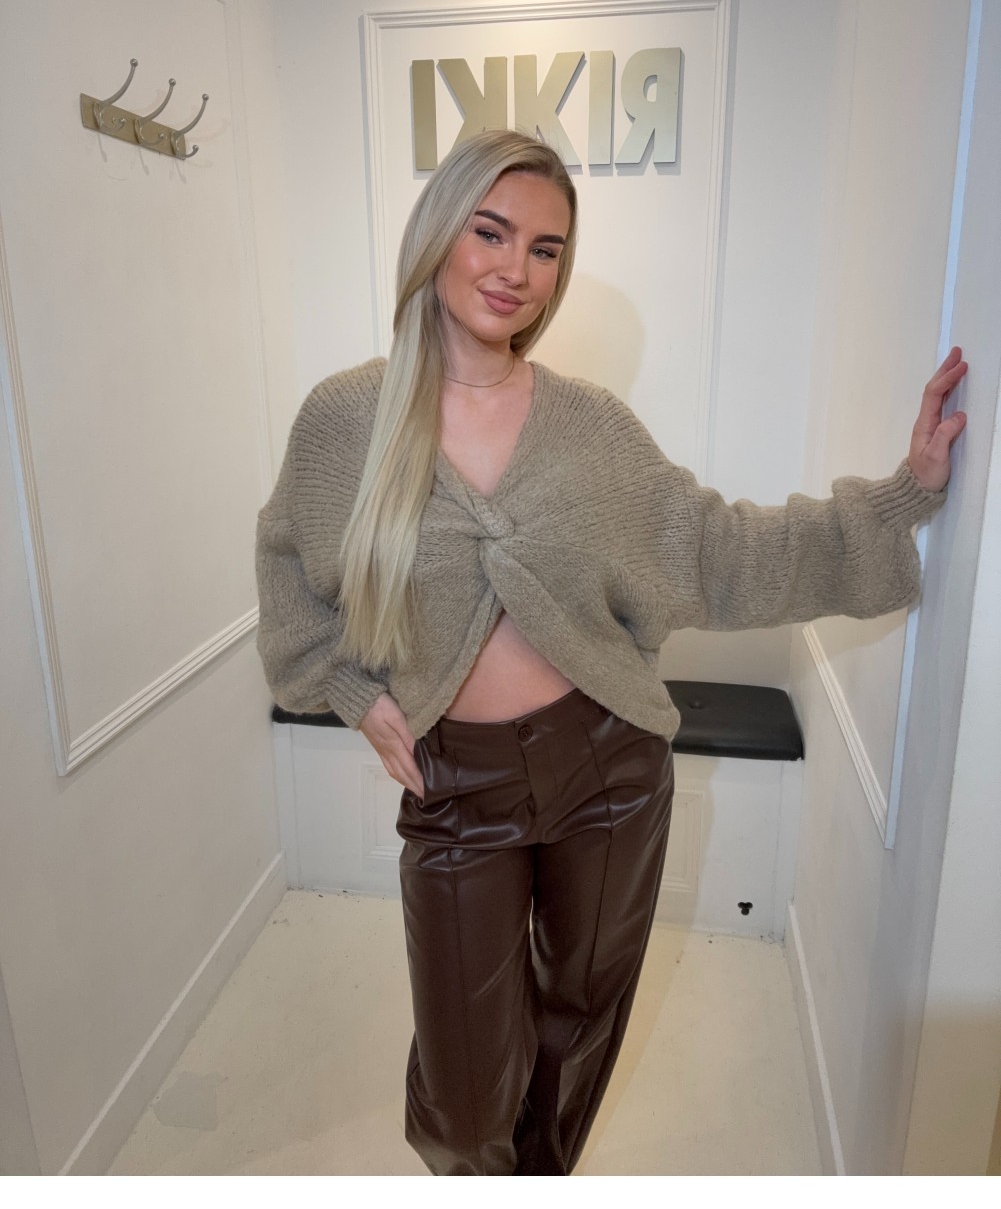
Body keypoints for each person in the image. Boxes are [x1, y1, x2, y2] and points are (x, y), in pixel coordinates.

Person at [255, 129, 967, 1176]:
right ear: (438, 233)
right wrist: (354, 693)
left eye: (545, 249)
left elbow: (718, 550)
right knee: (462, 1088)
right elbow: (287, 573)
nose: (515, 268)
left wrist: (900, 498)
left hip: (609, 767)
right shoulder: (344, 421)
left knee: (579, 1019)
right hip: (457, 785)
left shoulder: (589, 427)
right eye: (491, 232)